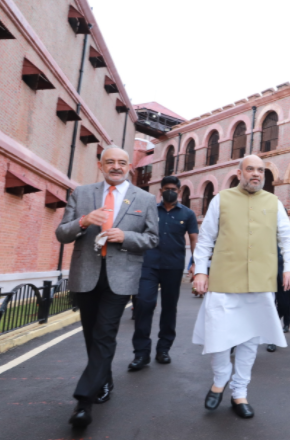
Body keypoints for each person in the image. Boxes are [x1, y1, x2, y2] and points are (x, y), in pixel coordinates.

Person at [55, 146, 159, 429]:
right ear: (100, 165)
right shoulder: (82, 193)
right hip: (86, 274)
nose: (116, 166)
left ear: (129, 168)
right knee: (93, 336)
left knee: (104, 334)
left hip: (121, 276)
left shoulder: (145, 199)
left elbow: (152, 239)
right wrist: (84, 221)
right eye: (110, 162)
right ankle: (104, 380)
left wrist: (126, 236)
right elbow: (61, 233)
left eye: (122, 163)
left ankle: (83, 402)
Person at [191, 155, 290, 420]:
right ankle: (221, 377)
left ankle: (239, 391)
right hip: (224, 280)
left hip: (260, 281)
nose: (256, 174)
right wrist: (201, 271)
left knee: (250, 340)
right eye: (250, 169)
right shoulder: (222, 199)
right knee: (218, 335)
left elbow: (286, 237)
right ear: (240, 172)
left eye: (261, 170)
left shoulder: (273, 202)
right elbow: (205, 239)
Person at [129, 176, 198, 370]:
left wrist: (196, 265)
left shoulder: (188, 214)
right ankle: (141, 354)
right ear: (160, 191)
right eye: (167, 189)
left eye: (174, 189)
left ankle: (163, 349)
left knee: (169, 308)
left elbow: (194, 240)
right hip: (147, 265)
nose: (170, 192)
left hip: (173, 267)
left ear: (179, 191)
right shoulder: (149, 210)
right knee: (144, 303)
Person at [267, 236, 290, 352]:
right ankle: (272, 339)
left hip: (285, 276)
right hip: (267, 275)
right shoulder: (264, 226)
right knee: (266, 305)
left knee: (283, 305)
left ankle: (273, 326)